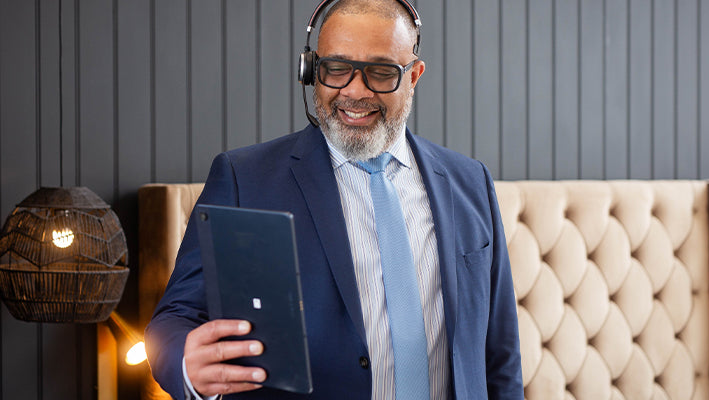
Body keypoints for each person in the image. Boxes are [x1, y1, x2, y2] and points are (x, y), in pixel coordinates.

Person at [145, 0, 522, 399]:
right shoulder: (244, 179)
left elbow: (500, 356)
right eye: (336, 69)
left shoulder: (471, 182)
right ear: (311, 71)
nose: (355, 91)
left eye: (380, 72)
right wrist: (187, 363)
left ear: (414, 76)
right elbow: (177, 318)